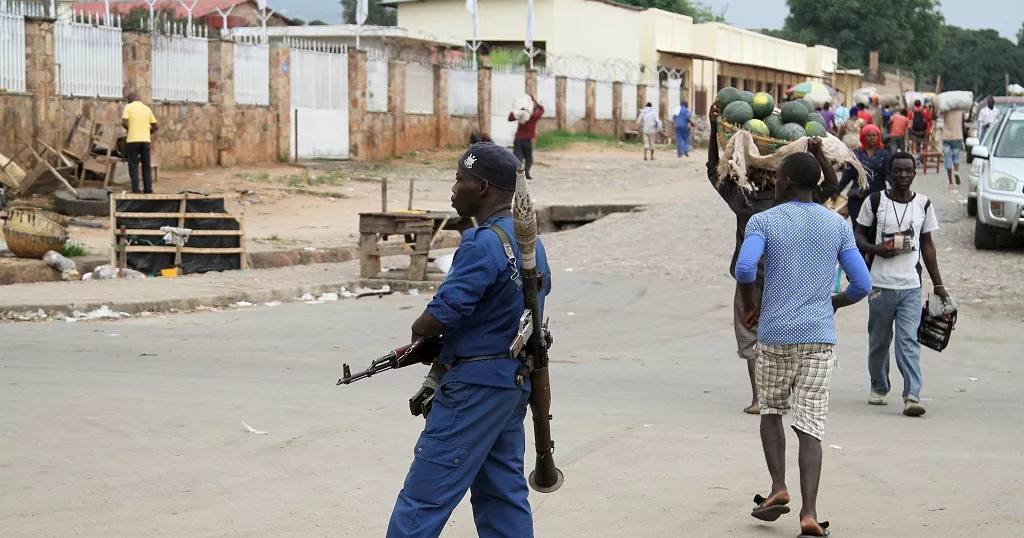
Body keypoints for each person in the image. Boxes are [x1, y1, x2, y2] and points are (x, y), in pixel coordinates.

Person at [387, 142, 552, 538]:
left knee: (423, 497)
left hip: (473, 389)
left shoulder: (482, 242)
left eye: (460, 178)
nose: (453, 187)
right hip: (511, 385)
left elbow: (445, 311)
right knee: (502, 497)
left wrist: (419, 334)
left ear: (481, 187)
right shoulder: (528, 242)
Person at [735, 151, 872, 538]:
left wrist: (750, 306)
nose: (774, 182)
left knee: (772, 411)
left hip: (776, 334)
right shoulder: (836, 225)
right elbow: (862, 285)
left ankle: (779, 487)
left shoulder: (763, 221)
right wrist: (833, 302)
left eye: (778, 177)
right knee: (811, 426)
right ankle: (809, 513)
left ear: (789, 182)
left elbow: (746, 268)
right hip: (818, 338)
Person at [708, 105, 840, 416]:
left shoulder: (744, 201)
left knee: (749, 337)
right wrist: (819, 153)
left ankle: (760, 398)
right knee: (789, 336)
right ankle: (792, 392)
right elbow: (832, 186)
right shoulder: (799, 202)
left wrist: (716, 131)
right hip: (788, 281)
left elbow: (713, 169)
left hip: (751, 282)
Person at [854, 151, 947, 418]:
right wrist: (876, 249)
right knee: (879, 341)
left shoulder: (924, 205)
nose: (903, 176)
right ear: (889, 173)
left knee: (909, 340)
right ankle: (879, 386)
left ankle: (912, 395)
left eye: (908, 171)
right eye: (898, 171)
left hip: (910, 286)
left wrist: (938, 284)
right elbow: (857, 235)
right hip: (880, 285)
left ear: (915, 173)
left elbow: (927, 245)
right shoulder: (875, 202)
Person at [839, 124, 890, 227]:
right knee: (857, 227)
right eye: (868, 135)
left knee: (876, 227)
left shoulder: (884, 155)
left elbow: (889, 175)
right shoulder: (855, 154)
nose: (872, 137)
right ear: (863, 137)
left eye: (874, 135)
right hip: (857, 197)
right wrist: (835, 191)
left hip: (878, 197)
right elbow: (846, 176)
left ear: (878, 137)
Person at [121, 92, 158, 194]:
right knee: (146, 165)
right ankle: (148, 189)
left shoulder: (128, 107)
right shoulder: (147, 108)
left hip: (132, 140)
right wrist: (148, 132)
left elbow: (124, 122)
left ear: (129, 100)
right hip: (145, 141)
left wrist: (130, 129)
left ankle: (136, 190)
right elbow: (155, 126)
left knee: (133, 165)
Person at [508, 95, 544, 180]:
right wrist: (534, 100)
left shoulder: (521, 115)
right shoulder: (534, 116)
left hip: (518, 139)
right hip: (528, 140)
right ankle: (526, 173)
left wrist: (517, 109)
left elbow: (510, 118)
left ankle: (517, 174)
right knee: (529, 159)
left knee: (517, 157)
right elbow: (542, 109)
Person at [941, 106, 968, 186]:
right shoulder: (961, 110)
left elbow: (935, 116)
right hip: (957, 136)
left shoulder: (945, 109)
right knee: (956, 156)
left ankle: (950, 181)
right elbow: (963, 124)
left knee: (947, 157)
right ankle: (956, 171)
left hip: (946, 137)